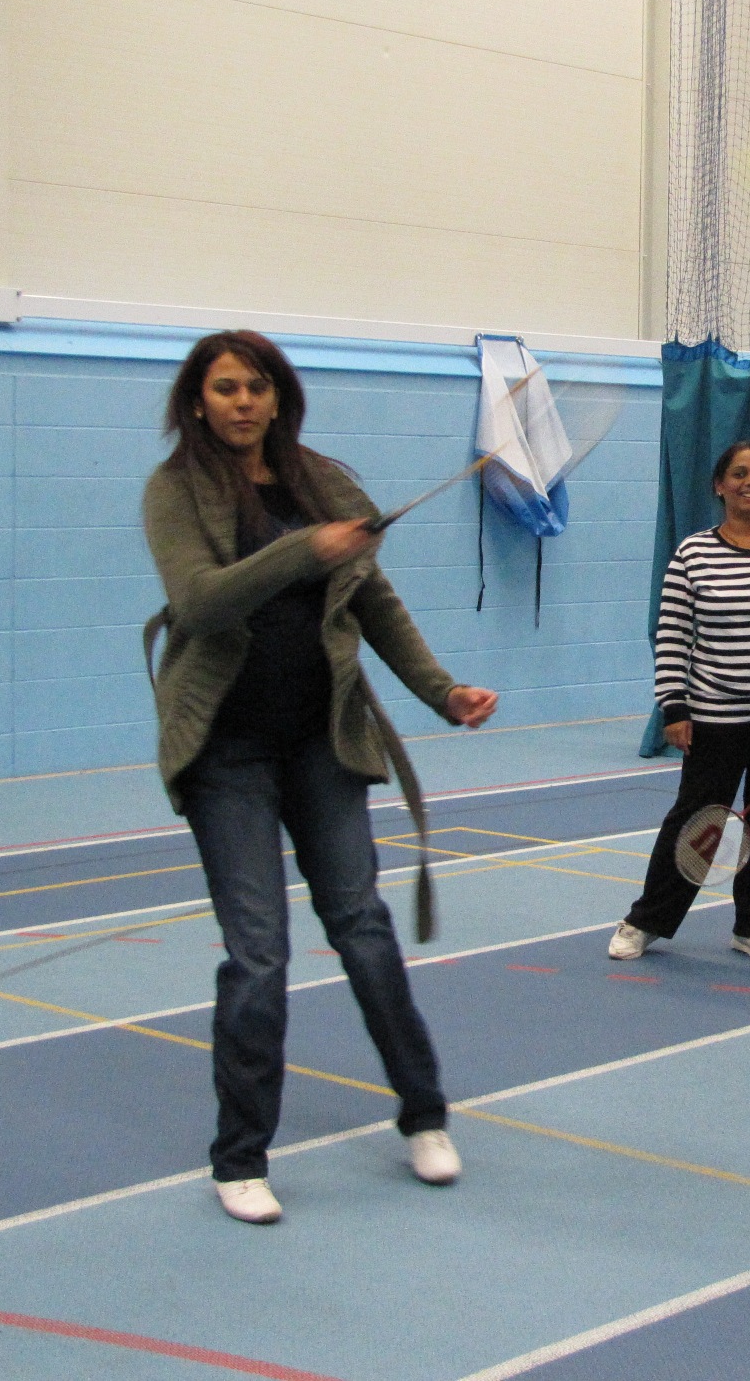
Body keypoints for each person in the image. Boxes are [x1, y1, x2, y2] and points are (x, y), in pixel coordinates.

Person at [142, 329, 498, 1225]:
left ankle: (423, 1114)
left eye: (257, 387)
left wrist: (441, 690)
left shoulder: (325, 483)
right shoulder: (174, 491)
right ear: (197, 401)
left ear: (278, 398)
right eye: (225, 388)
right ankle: (240, 1157)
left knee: (364, 929)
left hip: (322, 745)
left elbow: (375, 601)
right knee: (258, 956)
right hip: (227, 755)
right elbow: (201, 601)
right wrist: (307, 552)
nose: (243, 403)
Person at [610, 440, 750, 964]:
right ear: (720, 485)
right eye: (739, 474)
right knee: (697, 824)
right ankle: (645, 920)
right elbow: (672, 635)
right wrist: (675, 706)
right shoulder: (693, 554)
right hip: (717, 717)